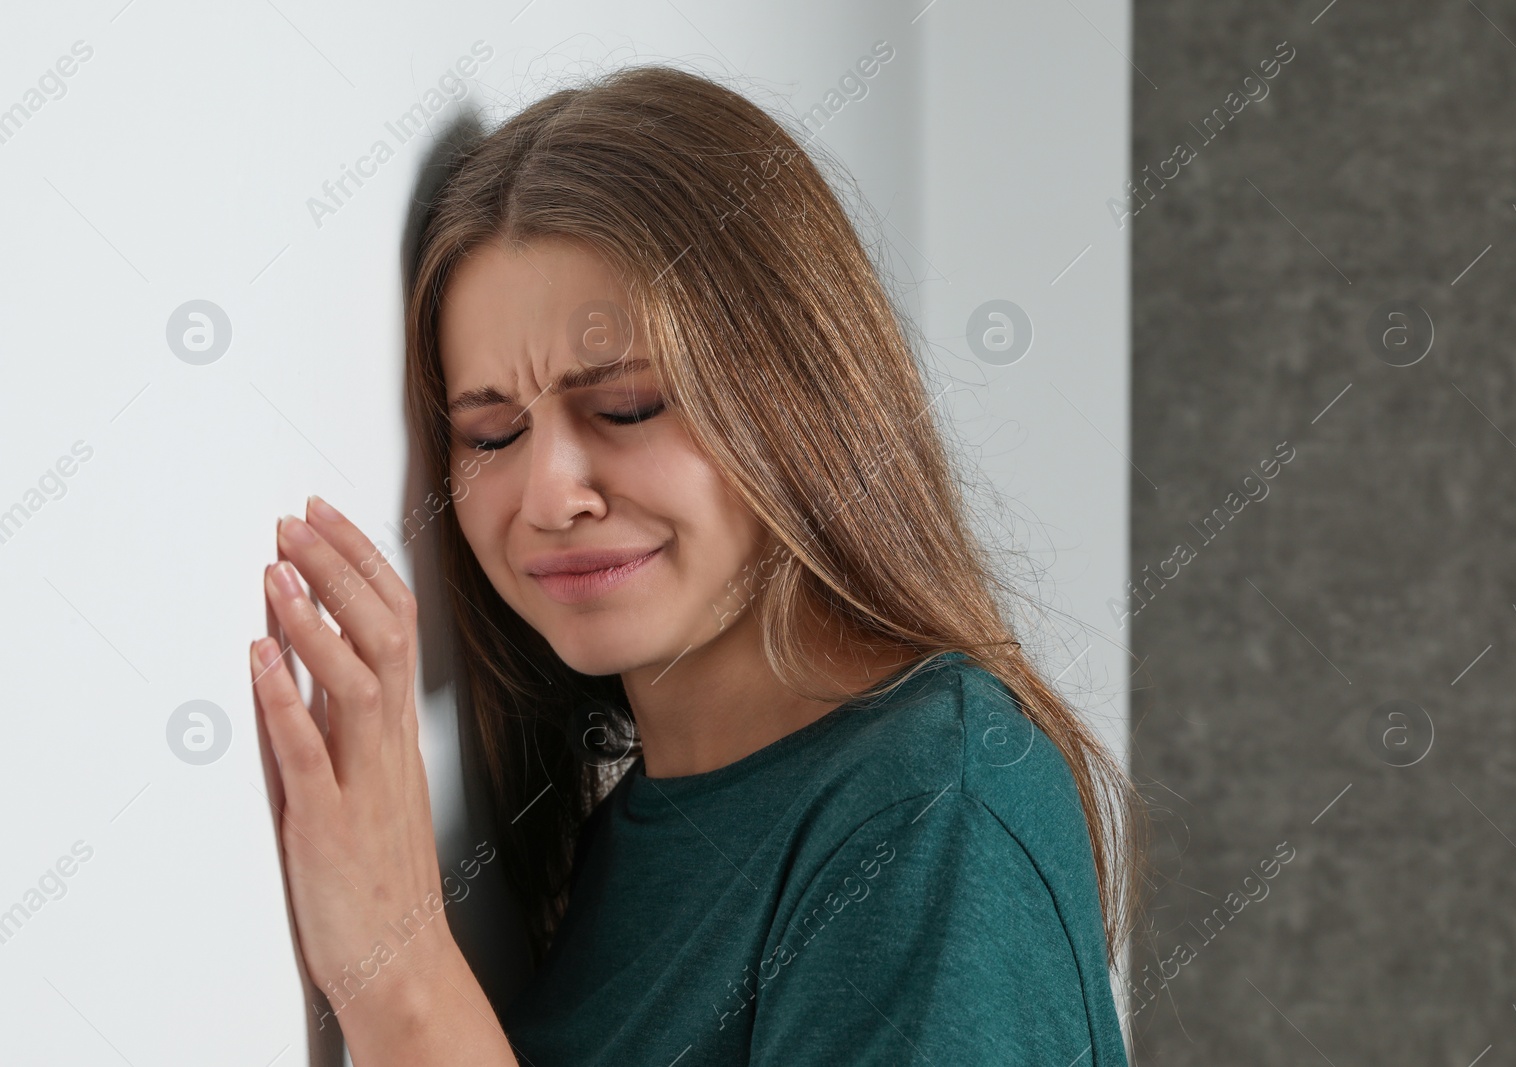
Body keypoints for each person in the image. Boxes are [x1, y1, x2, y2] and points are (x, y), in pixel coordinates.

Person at [248, 63, 1146, 1066]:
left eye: (626, 406)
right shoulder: (627, 828)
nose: (549, 493)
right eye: (492, 432)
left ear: (799, 393)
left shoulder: (934, 805)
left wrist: (405, 982)